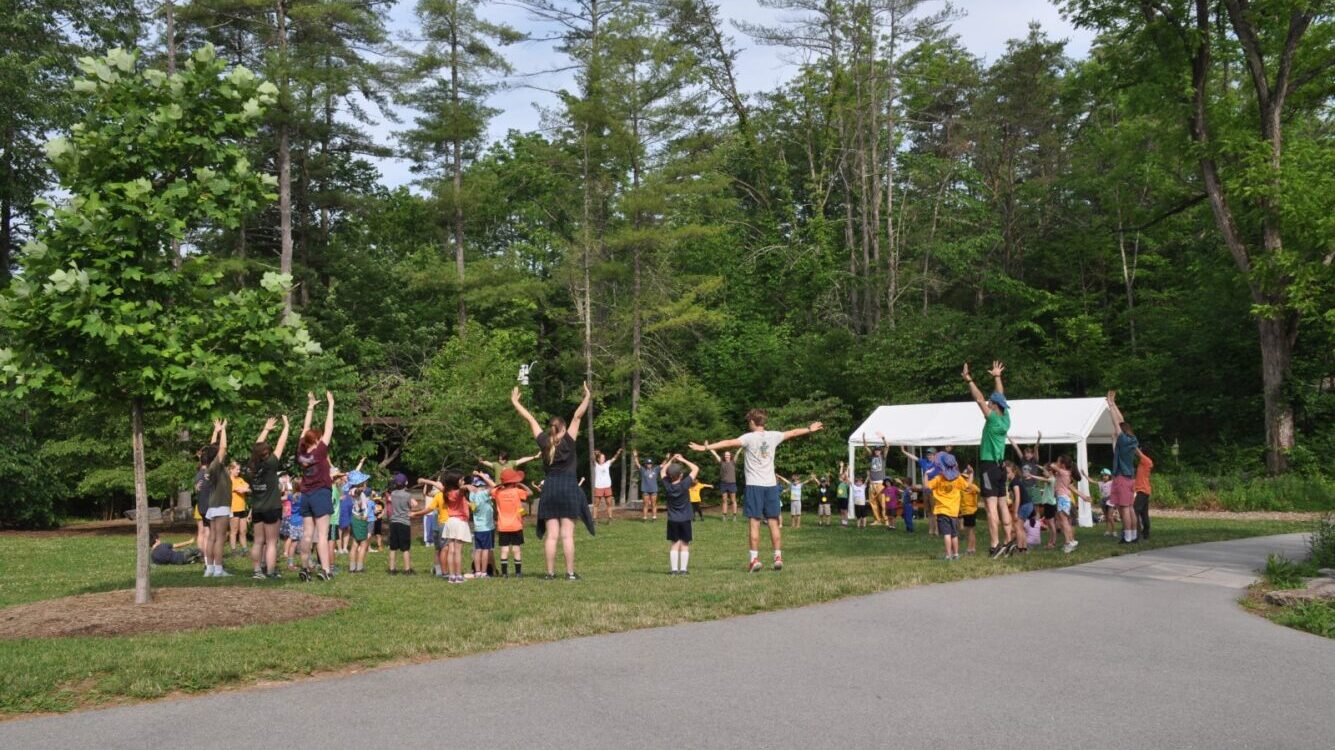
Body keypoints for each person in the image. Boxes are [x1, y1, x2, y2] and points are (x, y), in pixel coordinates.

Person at [690, 410, 823, 572]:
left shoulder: (748, 437)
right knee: (773, 522)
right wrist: (809, 429)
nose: (748, 424)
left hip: (754, 486)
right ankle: (777, 557)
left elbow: (728, 443)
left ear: (753, 421)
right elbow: (794, 432)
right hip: (771, 486)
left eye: (749, 422)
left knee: (754, 523)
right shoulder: (774, 435)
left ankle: (754, 560)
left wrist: (705, 447)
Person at [511, 382, 593, 580]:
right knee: (567, 535)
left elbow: (530, 419)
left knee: (552, 535)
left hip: (549, 490)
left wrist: (515, 402)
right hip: (568, 489)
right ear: (563, 428)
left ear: (551, 429)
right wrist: (587, 397)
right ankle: (570, 573)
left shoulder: (544, 442)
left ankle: (549, 574)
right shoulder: (569, 441)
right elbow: (578, 415)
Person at [963, 360, 1015, 558]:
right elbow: (999, 396)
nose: (988, 405)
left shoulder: (992, 418)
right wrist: (997, 377)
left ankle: (995, 545)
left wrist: (969, 380)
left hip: (988, 467)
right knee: (1003, 504)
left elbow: (979, 398)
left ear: (993, 406)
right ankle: (1008, 541)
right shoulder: (1005, 419)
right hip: (1001, 468)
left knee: (991, 508)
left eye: (990, 404)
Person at [296, 390, 337, 581]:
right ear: (317, 440)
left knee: (307, 535)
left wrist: (310, 407)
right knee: (322, 535)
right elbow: (329, 429)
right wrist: (330, 405)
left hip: (305, 495)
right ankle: (326, 570)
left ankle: (304, 568)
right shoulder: (320, 452)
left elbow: (304, 431)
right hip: (320, 493)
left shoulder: (301, 454)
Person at [244, 416, 289, 579]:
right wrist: (286, 427)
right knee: (271, 542)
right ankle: (270, 572)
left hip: (257, 509)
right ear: (267, 453)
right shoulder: (270, 464)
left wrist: (266, 429)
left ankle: (257, 571)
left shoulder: (251, 467)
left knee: (258, 541)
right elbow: (281, 445)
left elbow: (255, 449)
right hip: (272, 508)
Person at [199, 420, 233, 577]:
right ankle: (218, 570)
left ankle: (210, 569)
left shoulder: (210, 465)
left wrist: (216, 431)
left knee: (212, 537)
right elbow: (222, 448)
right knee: (220, 538)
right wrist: (224, 430)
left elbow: (212, 448)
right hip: (221, 506)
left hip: (213, 506)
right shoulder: (216, 466)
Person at [1107, 391, 1140, 544]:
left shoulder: (1122, 440)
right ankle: (1133, 535)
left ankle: (1127, 537)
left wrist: (1110, 404)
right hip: (1130, 478)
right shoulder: (1132, 440)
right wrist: (1113, 404)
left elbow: (1117, 423)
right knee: (1130, 508)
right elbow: (1121, 422)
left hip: (1121, 477)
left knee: (1124, 509)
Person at [660, 454, 699, 575]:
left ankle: (673, 570)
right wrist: (682, 459)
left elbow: (662, 471)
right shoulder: (685, 484)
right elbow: (695, 468)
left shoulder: (668, 485)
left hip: (672, 520)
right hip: (685, 519)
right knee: (685, 544)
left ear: (670, 476)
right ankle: (683, 570)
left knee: (674, 544)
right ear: (681, 475)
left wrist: (671, 460)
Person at [490, 468, 531, 578]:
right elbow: (530, 493)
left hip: (503, 526)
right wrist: (521, 485)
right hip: (516, 525)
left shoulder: (498, 492)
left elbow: (491, 491)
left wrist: (500, 485)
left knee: (504, 550)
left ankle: (504, 573)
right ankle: (518, 573)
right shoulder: (517, 491)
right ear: (514, 481)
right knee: (516, 549)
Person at [927, 453, 967, 561]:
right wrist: (971, 474)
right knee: (954, 534)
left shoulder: (939, 478)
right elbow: (966, 486)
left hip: (942, 510)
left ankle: (948, 556)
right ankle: (956, 554)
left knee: (947, 534)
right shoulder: (958, 478)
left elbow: (927, 486)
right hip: (954, 511)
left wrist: (926, 474)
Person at [385, 473, 418, 574]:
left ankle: (392, 569)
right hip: (404, 522)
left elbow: (390, 499)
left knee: (393, 547)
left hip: (394, 522)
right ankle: (407, 569)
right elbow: (414, 504)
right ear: (406, 483)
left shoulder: (393, 494)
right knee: (405, 548)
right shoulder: (408, 495)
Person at [469, 474, 497, 577]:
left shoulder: (472, 495)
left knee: (478, 550)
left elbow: (473, 507)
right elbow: (494, 486)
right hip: (486, 528)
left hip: (477, 527)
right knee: (486, 550)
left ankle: (477, 571)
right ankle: (484, 572)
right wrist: (484, 476)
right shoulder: (484, 494)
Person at [862, 432, 889, 526]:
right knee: (872, 502)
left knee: (882, 502)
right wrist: (864, 438)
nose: (877, 451)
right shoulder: (871, 456)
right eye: (876, 450)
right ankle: (877, 520)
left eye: (878, 450)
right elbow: (865, 446)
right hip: (872, 483)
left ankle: (886, 520)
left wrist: (883, 438)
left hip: (880, 483)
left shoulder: (883, 457)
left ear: (880, 451)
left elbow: (887, 446)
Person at [348, 478, 375, 573]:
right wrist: (359, 488)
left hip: (355, 518)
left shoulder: (351, 491)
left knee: (355, 543)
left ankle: (352, 567)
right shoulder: (358, 492)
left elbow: (354, 492)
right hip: (360, 519)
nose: (365, 486)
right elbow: (357, 492)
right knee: (363, 544)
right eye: (364, 484)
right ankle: (359, 567)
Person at [591, 448, 623, 524]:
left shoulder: (607, 464)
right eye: (602, 458)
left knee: (609, 504)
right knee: (596, 504)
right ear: (598, 459)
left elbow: (614, 458)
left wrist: (618, 453)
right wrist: (594, 453)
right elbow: (592, 458)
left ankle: (610, 518)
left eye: (604, 457)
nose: (604, 459)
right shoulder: (596, 465)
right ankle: (595, 519)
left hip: (607, 487)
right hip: (598, 487)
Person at [1005, 462, 1031, 555]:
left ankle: (1019, 548)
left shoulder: (1015, 482)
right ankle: (1024, 549)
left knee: (1017, 527)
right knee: (1020, 527)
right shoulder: (1014, 481)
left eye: (1008, 472)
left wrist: (1015, 512)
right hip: (1028, 505)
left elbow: (1018, 497)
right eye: (1005, 472)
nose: (1006, 474)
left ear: (1014, 472)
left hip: (1025, 505)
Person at [710, 449, 740, 521]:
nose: (727, 456)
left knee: (733, 500)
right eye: (726, 455)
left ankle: (734, 516)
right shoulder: (722, 462)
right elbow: (715, 455)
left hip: (732, 483)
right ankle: (724, 516)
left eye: (728, 455)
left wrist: (741, 448)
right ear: (724, 456)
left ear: (730, 456)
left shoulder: (733, 462)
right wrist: (709, 448)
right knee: (724, 500)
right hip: (724, 484)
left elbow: (737, 454)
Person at [228, 461, 250, 554]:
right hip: (233, 508)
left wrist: (245, 489)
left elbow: (247, 487)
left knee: (243, 530)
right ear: (231, 469)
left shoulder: (240, 479)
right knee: (234, 530)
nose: (238, 471)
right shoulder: (229, 480)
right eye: (237, 469)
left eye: (239, 469)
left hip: (242, 508)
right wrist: (245, 489)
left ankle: (245, 548)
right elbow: (239, 490)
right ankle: (233, 549)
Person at [633, 450, 660, 522]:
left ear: (652, 464)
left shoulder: (656, 469)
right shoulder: (643, 470)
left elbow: (663, 464)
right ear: (646, 464)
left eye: (650, 463)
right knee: (645, 504)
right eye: (648, 463)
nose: (649, 464)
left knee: (654, 504)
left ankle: (654, 517)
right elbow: (637, 463)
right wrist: (635, 456)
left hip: (654, 490)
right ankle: (645, 518)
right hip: (645, 490)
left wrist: (667, 458)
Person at [1134, 448, 1154, 540]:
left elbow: (1137, 451)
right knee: (1143, 513)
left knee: (1135, 511)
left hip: (1142, 490)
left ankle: (1137, 533)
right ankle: (1146, 533)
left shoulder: (1146, 460)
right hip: (1144, 490)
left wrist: (1131, 442)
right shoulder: (1145, 462)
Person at [960, 466, 980, 555]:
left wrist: (970, 484)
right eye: (963, 477)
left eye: (966, 477)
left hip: (971, 511)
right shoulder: (962, 486)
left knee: (970, 531)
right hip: (965, 511)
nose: (964, 479)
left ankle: (970, 549)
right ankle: (972, 548)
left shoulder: (971, 486)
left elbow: (978, 490)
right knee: (968, 531)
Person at [1098, 468, 1116, 536]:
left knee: (1110, 517)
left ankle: (1114, 531)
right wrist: (1085, 475)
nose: (1104, 477)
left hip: (1110, 501)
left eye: (1105, 475)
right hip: (1103, 501)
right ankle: (1107, 531)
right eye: (1102, 475)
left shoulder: (1112, 482)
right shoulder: (1100, 483)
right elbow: (1092, 481)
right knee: (1106, 516)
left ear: (1109, 476)